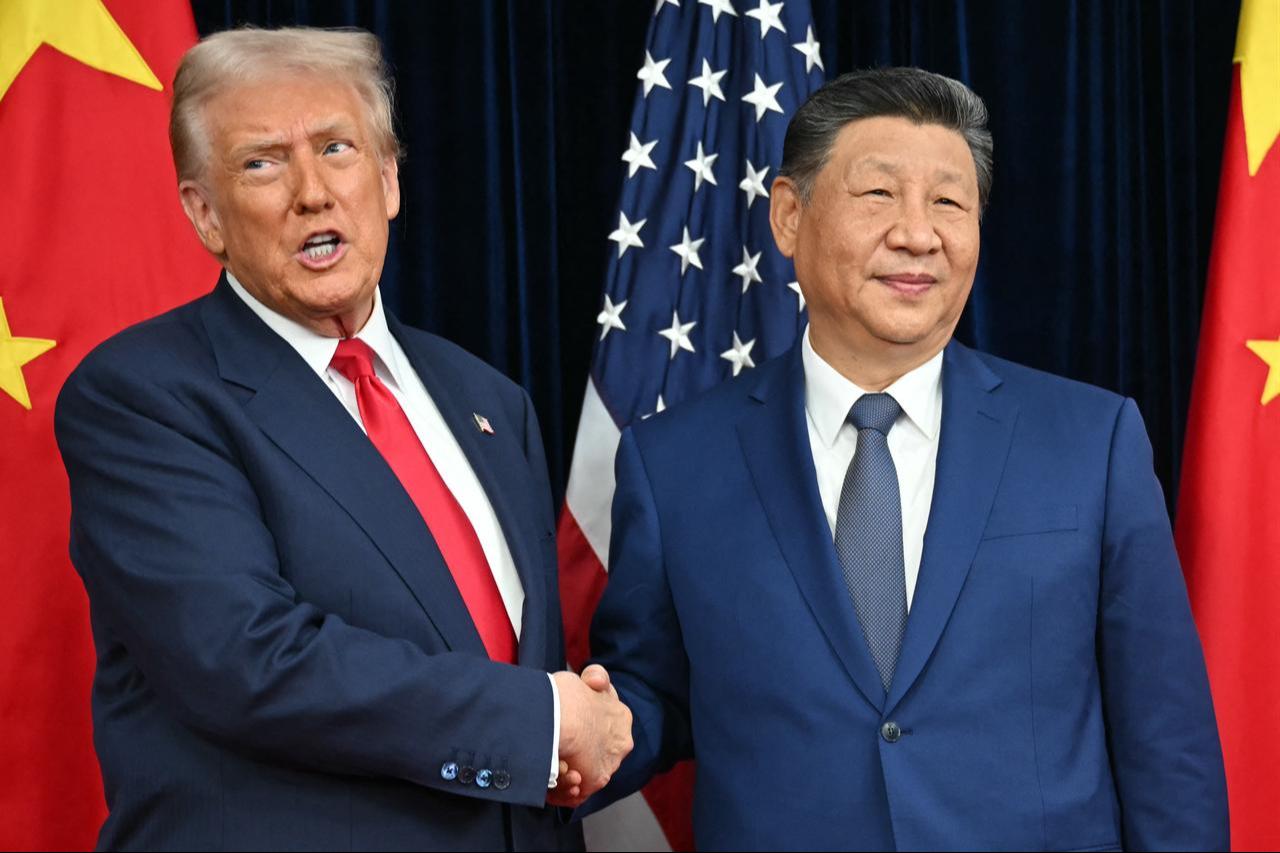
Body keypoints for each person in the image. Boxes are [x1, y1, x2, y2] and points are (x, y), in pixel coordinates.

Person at [582, 67, 1228, 850]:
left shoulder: (1092, 443)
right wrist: (571, 732)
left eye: (950, 202)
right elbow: (655, 694)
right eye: (880, 195)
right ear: (790, 216)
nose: (918, 234)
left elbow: (1167, 742)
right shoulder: (674, 463)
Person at [54, 27, 629, 852]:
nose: (312, 192)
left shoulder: (489, 401)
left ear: (390, 179)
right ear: (205, 214)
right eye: (263, 162)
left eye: (336, 148)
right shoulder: (142, 396)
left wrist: (563, 736)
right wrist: (539, 720)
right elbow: (246, 658)